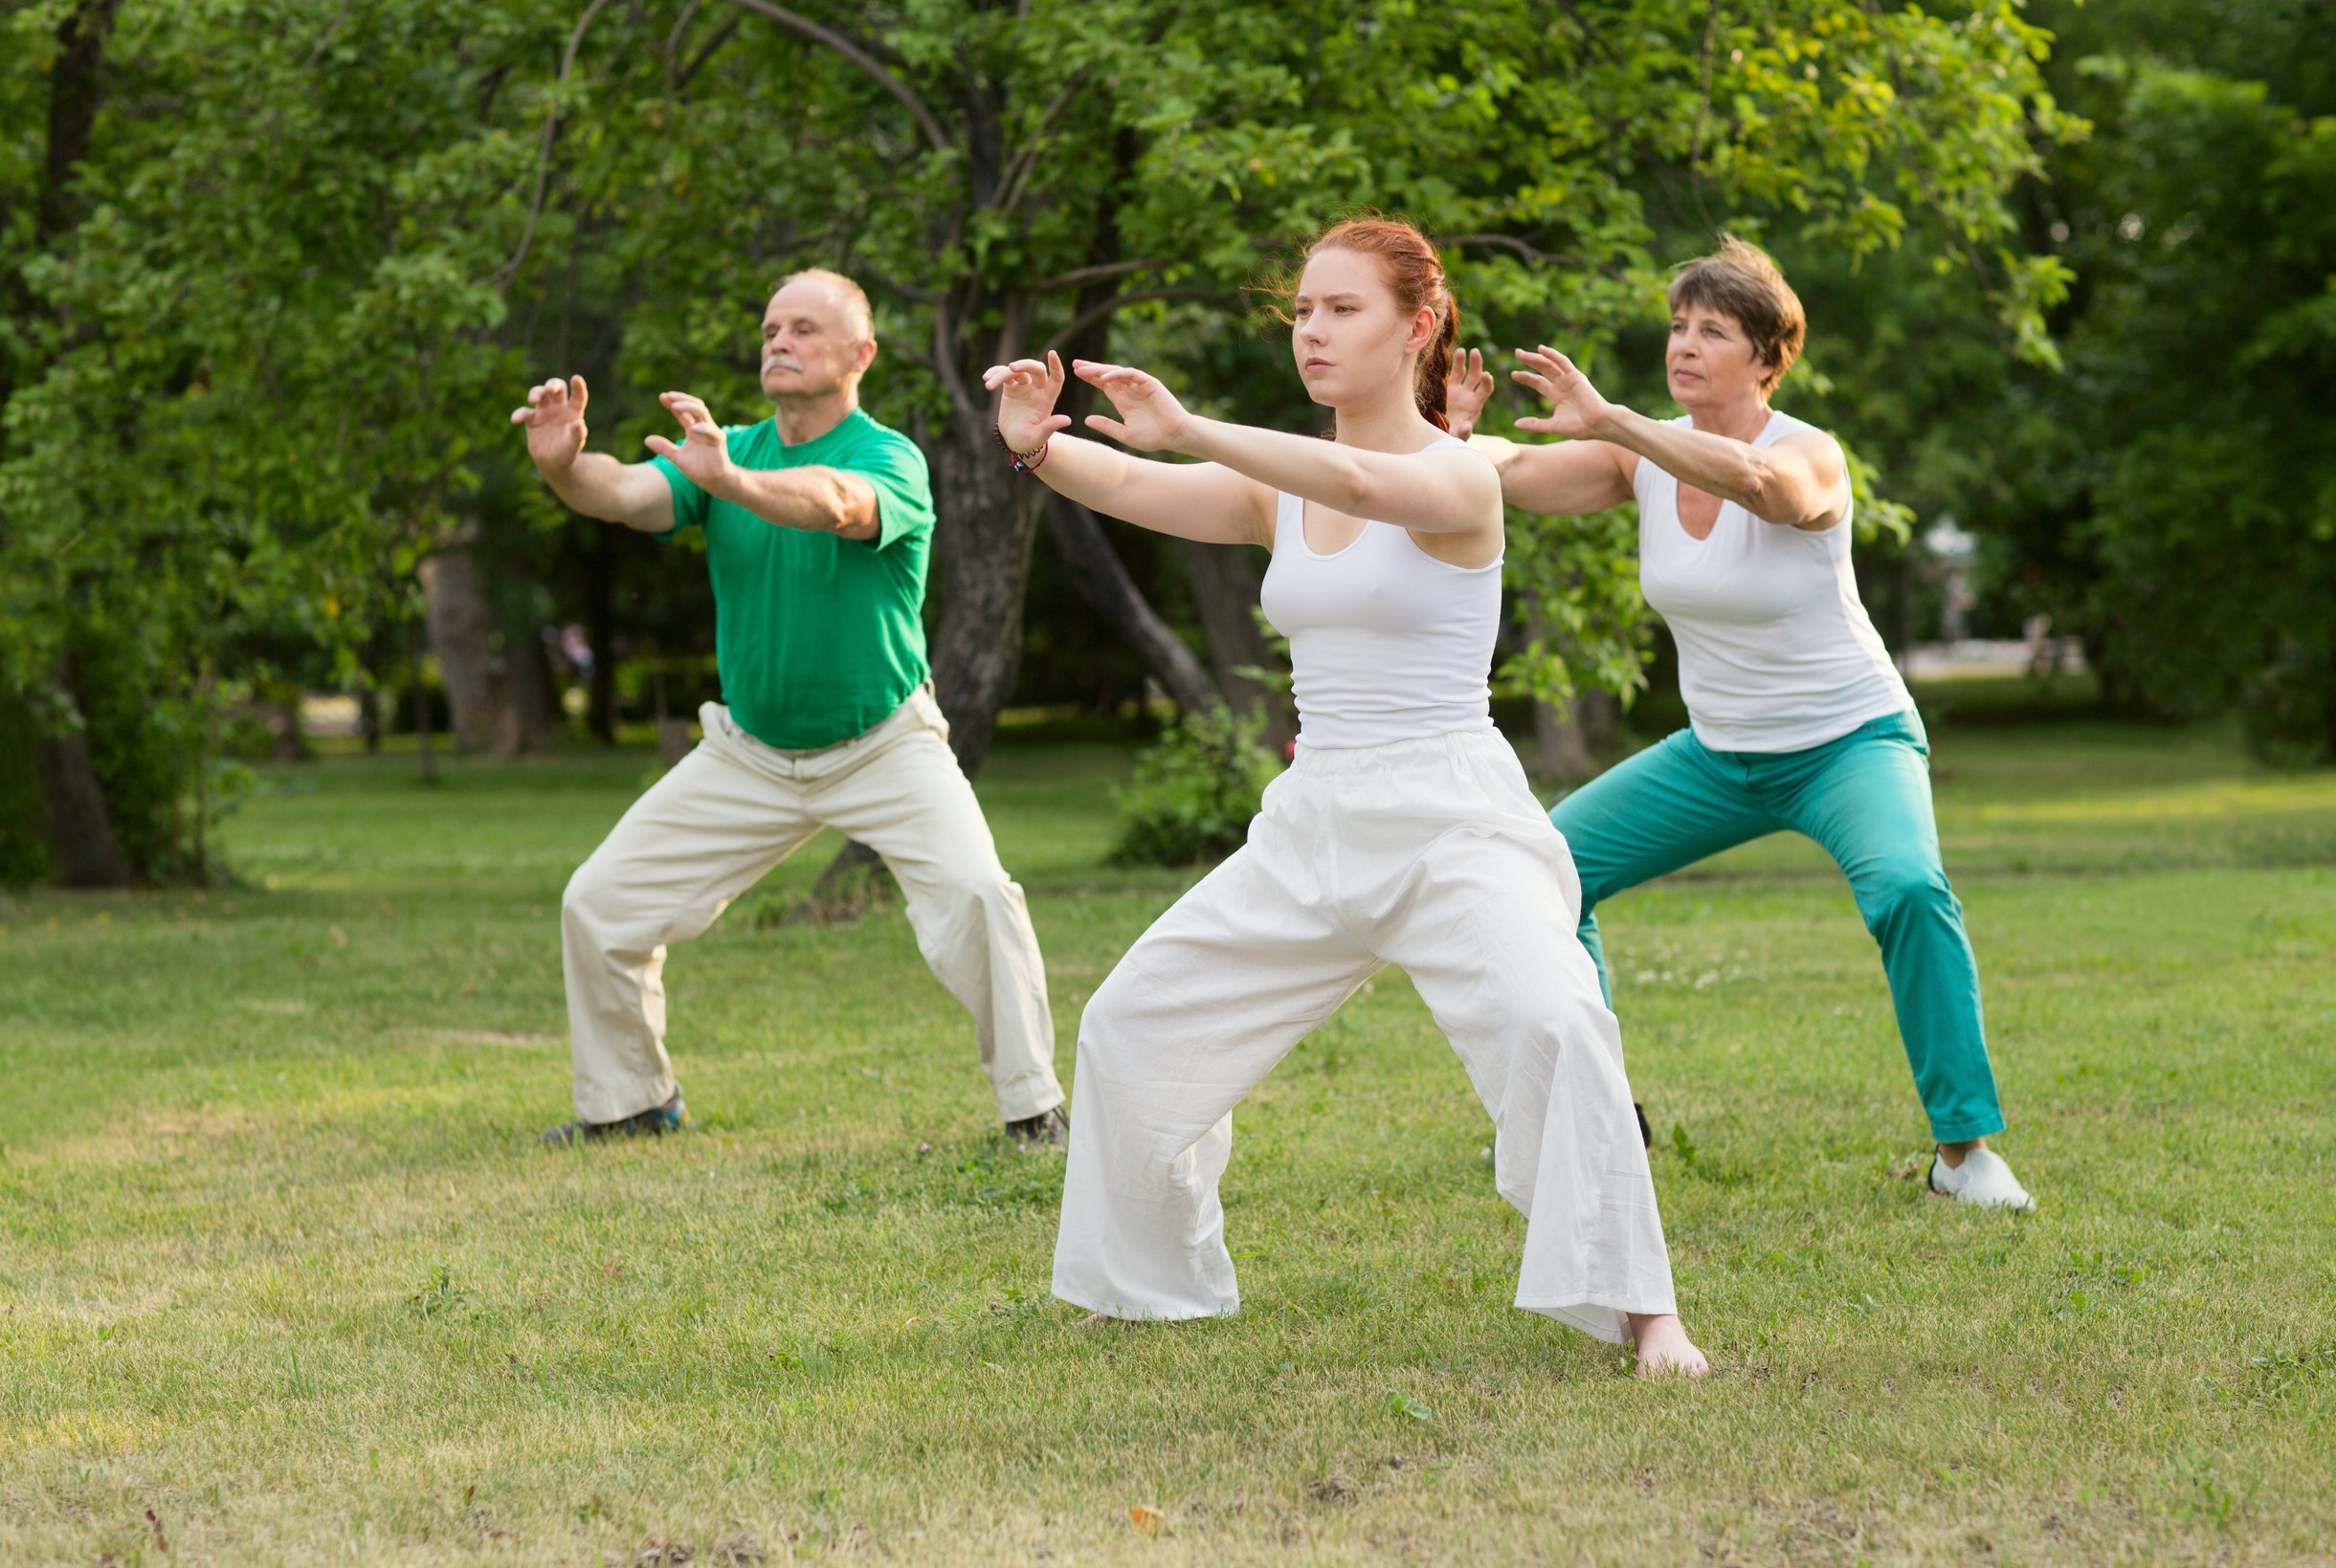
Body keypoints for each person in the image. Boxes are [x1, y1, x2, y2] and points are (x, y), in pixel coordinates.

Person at [986, 219, 1708, 1376]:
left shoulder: (1460, 472)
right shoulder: (1278, 490)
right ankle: (1146, 1289)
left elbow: (1367, 476)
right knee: (1128, 1022)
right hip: (1313, 821)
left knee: (1556, 1022)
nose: (1311, 332)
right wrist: (1036, 447)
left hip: (1451, 823)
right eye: (1303, 312)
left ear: (1417, 328)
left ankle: (1644, 1311)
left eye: (1341, 310)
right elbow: (1134, 480)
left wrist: (1188, 423)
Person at [1448, 235, 2033, 1210]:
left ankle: (1964, 1154)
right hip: (1718, 756)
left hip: (1849, 741)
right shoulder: (1635, 461)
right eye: (1677, 325)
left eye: (1712, 330)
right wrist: (1451, 436)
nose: (1684, 344)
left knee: (1906, 888)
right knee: (1545, 871)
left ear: (1767, 360)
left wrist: (1617, 421)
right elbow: (1509, 473)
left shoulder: (1806, 451)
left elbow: (1769, 491)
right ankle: (1598, 1117)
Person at [510, 269, 1067, 1149]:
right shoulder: (720, 450)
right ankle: (632, 1103)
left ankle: (1033, 1107)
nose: (780, 341)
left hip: (885, 744)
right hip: (750, 754)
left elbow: (835, 505)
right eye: (772, 327)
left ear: (860, 355)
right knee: (598, 903)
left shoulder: (889, 458)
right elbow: (619, 493)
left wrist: (728, 481)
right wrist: (563, 466)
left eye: (806, 329)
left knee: (978, 897)